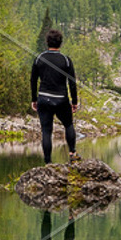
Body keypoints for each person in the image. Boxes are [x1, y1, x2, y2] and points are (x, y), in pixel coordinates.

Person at [29, 28, 79, 165]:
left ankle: (48, 163)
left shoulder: (39, 58)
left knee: (46, 130)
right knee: (68, 124)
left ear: (47, 42)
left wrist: (34, 99)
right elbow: (72, 83)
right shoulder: (66, 60)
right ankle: (72, 153)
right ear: (61, 43)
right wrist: (74, 101)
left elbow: (33, 81)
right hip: (61, 98)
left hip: (43, 98)